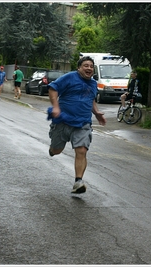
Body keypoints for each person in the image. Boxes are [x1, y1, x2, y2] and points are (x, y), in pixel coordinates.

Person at [47, 56, 106, 194]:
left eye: (91, 66)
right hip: (63, 121)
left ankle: (78, 181)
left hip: (83, 123)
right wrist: (55, 107)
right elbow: (53, 89)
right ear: (79, 68)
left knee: (82, 150)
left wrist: (96, 113)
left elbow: (90, 99)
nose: (89, 68)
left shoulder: (93, 84)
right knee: (57, 151)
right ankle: (53, 149)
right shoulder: (69, 77)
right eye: (86, 65)